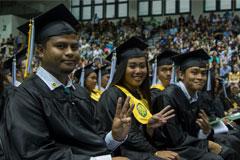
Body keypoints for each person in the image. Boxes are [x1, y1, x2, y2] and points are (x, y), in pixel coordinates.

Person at [4, 4, 133, 160]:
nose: (70, 52)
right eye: (61, 46)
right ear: (40, 51)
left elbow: (93, 143)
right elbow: (36, 154)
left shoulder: (80, 93)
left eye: (74, 46)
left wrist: (115, 137)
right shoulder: (25, 96)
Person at [97, 36, 178, 160]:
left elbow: (141, 134)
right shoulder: (112, 95)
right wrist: (154, 152)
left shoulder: (141, 95)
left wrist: (149, 128)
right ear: (122, 69)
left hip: (142, 152)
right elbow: (126, 136)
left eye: (142, 66)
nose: (138, 71)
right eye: (132, 66)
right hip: (123, 155)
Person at [151, 49, 238, 160]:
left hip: (188, 143)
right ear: (181, 74)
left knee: (231, 144)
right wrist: (207, 144)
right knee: (218, 157)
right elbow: (175, 139)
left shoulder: (195, 96)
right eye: (194, 72)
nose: (200, 77)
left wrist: (205, 131)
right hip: (172, 148)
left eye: (203, 73)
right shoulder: (168, 97)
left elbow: (195, 131)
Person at [150, 49, 178, 114]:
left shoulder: (176, 91)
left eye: (171, 69)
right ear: (157, 73)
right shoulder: (153, 94)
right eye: (164, 70)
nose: (168, 73)